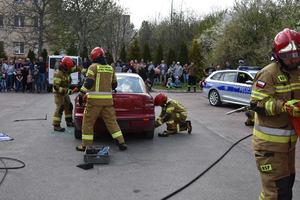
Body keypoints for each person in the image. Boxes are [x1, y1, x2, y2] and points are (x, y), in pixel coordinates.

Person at [250, 28, 300, 200]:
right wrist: (284, 106)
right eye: (288, 56)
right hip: (269, 148)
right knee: (277, 194)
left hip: (288, 146)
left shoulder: (297, 73)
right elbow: (257, 104)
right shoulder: (268, 73)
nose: (293, 59)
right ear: (277, 55)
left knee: (286, 188)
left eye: (296, 54)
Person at [76, 47, 127, 151]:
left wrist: (81, 94)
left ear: (94, 57)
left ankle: (86, 145)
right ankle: (121, 142)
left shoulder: (93, 67)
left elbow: (89, 83)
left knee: (88, 123)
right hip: (108, 102)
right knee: (112, 122)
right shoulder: (110, 68)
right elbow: (114, 85)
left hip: (94, 102)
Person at [52, 56, 81, 132]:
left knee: (69, 106)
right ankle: (56, 125)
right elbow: (56, 87)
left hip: (65, 92)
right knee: (60, 107)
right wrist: (68, 91)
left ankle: (69, 121)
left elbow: (76, 68)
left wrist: (84, 70)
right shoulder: (58, 73)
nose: (70, 69)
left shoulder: (67, 70)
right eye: (69, 67)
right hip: (59, 93)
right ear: (66, 66)